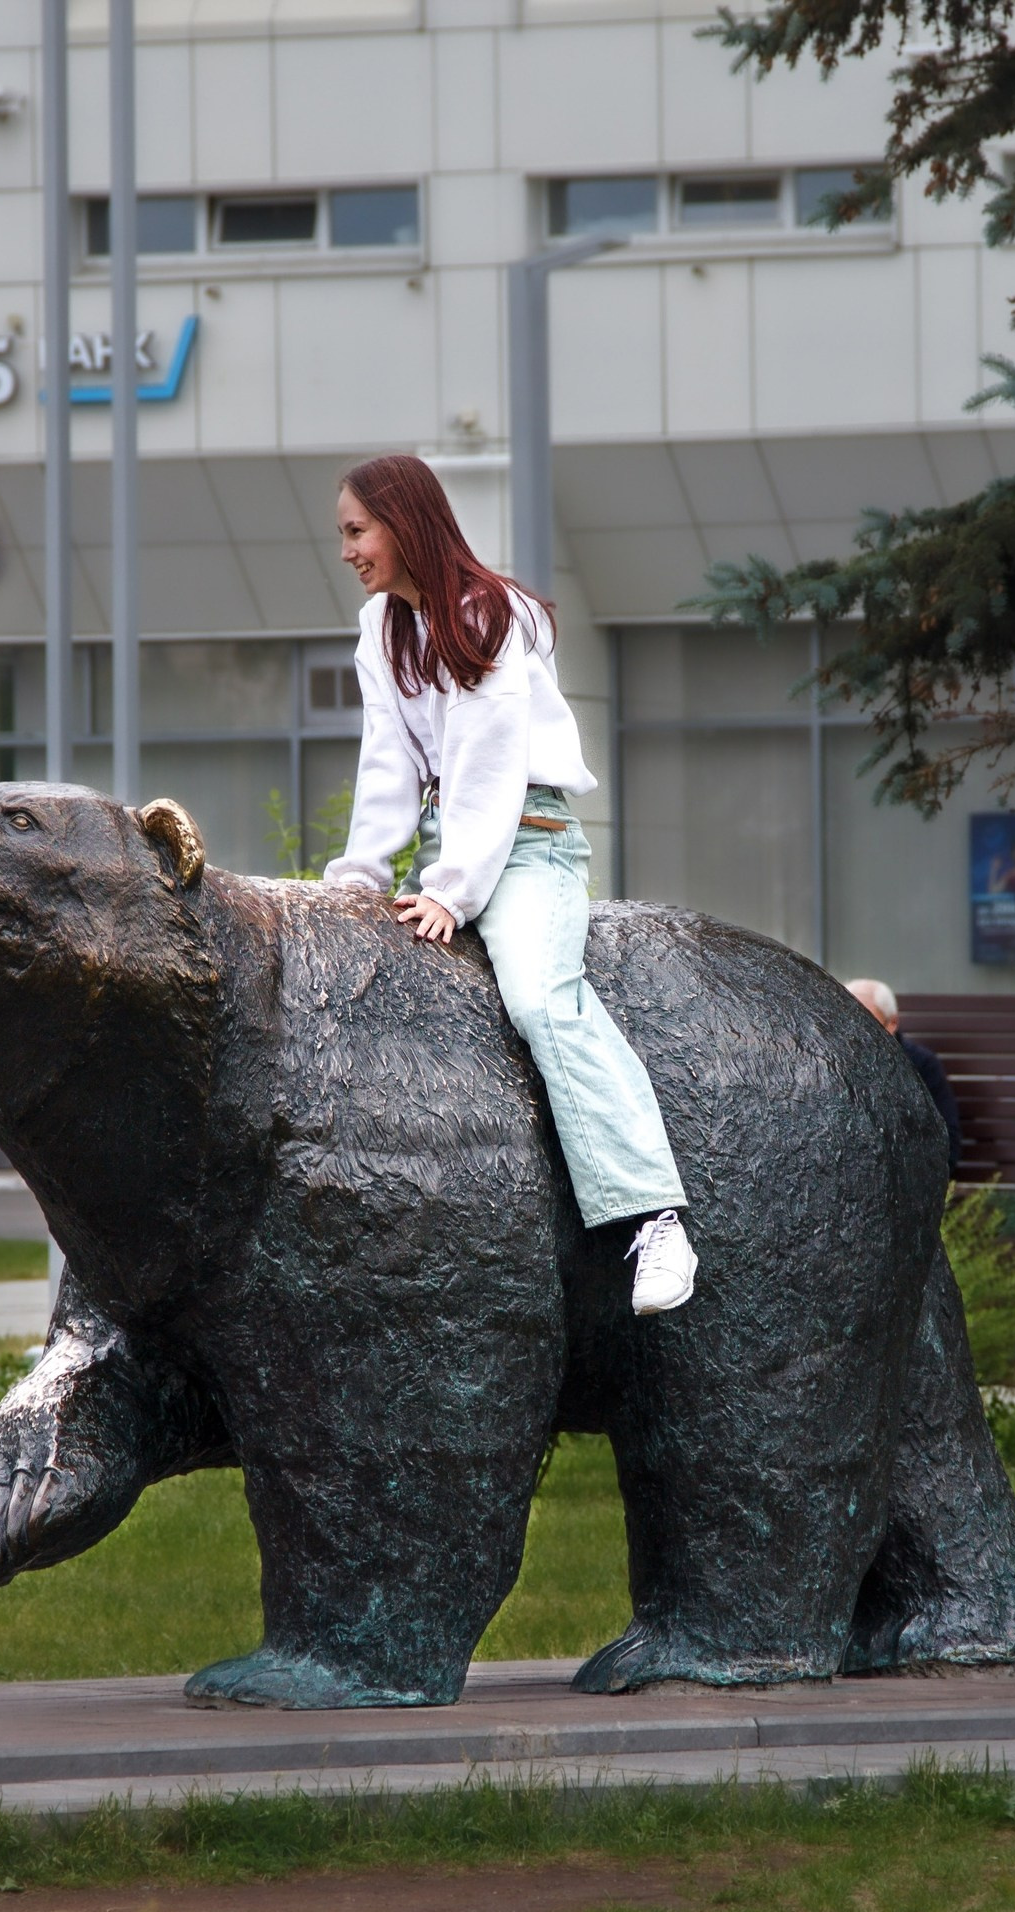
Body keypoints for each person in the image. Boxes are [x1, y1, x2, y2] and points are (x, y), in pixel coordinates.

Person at [322, 454, 696, 1314]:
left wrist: (451, 890)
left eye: (356, 530)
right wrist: (356, 883)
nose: (346, 550)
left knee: (540, 1001)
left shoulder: (490, 612)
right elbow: (386, 765)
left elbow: (490, 770)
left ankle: (657, 1216)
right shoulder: (381, 626)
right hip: (453, 845)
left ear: (403, 523)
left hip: (529, 844)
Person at [845, 977, 962, 1182]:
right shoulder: (825, 1063)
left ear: (892, 1023)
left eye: (866, 1021)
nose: (855, 1031)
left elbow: (946, 1139)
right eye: (846, 1019)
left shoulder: (922, 1065)